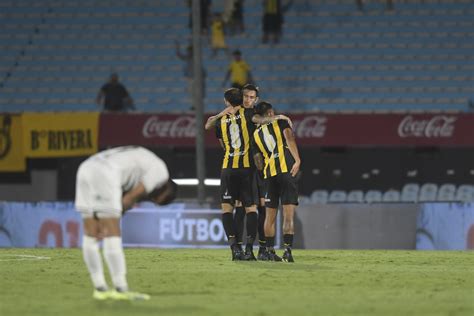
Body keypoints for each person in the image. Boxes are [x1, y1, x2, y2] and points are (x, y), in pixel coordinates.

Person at [75, 146, 177, 300]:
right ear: (165, 188)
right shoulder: (161, 171)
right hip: (105, 172)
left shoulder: (147, 158)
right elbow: (129, 198)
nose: (151, 197)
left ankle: (100, 289)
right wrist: (112, 219)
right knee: (112, 234)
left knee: (91, 234)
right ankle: (121, 289)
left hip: (86, 167)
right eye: (155, 197)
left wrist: (110, 214)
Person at [205, 88, 259, 260]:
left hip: (229, 168)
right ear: (241, 99)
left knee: (227, 209)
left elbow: (215, 135)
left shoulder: (220, 120)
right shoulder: (249, 113)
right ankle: (249, 248)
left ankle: (235, 248)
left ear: (227, 101)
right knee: (250, 208)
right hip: (247, 168)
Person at [252, 101, 301, 262]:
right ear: (271, 112)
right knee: (288, 215)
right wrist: (297, 160)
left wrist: (264, 172)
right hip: (286, 170)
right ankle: (287, 251)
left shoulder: (255, 134)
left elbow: (258, 161)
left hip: (269, 176)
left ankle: (270, 251)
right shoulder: (280, 121)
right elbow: (290, 138)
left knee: (269, 217)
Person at [232, 84, 269, 260]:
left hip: (259, 167)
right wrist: (280, 117)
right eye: (245, 96)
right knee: (242, 208)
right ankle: (242, 248)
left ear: (256, 99)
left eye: (251, 97)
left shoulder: (254, 113)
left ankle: (259, 249)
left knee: (262, 208)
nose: (248, 99)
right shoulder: (241, 114)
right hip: (243, 168)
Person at [175, 41, 207, 107]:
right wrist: (177, 47)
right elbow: (179, 55)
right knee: (192, 92)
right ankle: (194, 105)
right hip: (190, 78)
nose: (188, 52)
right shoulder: (187, 58)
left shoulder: (196, 57)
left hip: (197, 77)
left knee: (198, 92)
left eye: (190, 51)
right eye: (188, 51)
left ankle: (199, 105)